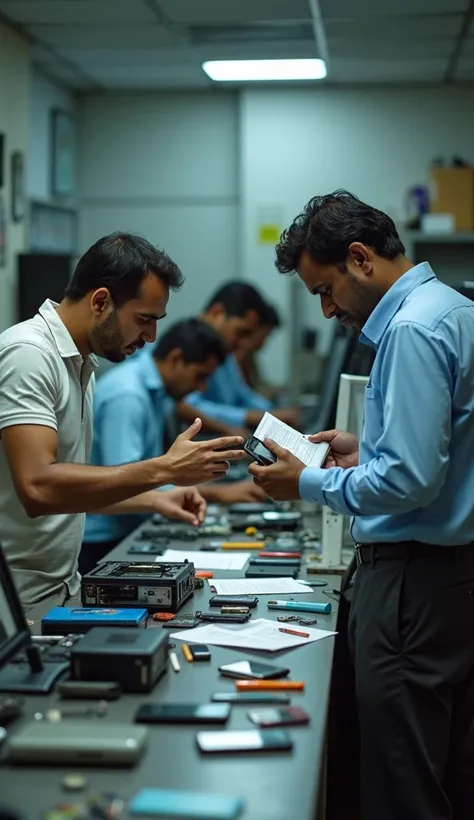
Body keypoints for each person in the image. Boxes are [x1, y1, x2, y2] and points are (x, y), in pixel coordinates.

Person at [248, 190, 474, 820]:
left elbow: (408, 483)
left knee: (401, 782)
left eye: (325, 290)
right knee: (447, 775)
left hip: (410, 585)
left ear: (359, 258)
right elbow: (445, 452)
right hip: (454, 577)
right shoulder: (454, 308)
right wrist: (366, 444)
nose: (325, 310)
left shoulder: (410, 329)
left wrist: (307, 483)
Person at [0, 233, 244, 614]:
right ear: (101, 301)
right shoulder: (29, 356)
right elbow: (38, 488)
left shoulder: (82, 365)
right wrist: (165, 469)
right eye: (144, 320)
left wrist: (156, 497)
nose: (151, 337)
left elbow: (76, 486)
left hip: (60, 587)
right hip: (17, 600)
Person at [81, 318, 267, 574]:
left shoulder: (154, 392)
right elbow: (126, 485)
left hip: (125, 529)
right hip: (102, 542)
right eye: (200, 376)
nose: (200, 388)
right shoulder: (128, 397)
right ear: (176, 359)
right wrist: (218, 493)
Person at [182, 281, 298, 431]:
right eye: (241, 332)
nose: (244, 344)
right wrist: (245, 419)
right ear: (217, 313)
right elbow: (187, 406)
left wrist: (272, 415)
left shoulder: (225, 353)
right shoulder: (186, 344)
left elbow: (241, 394)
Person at [235, 302, 282, 401]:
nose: (264, 342)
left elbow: (256, 387)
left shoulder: (251, 357)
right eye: (265, 335)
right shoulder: (234, 356)